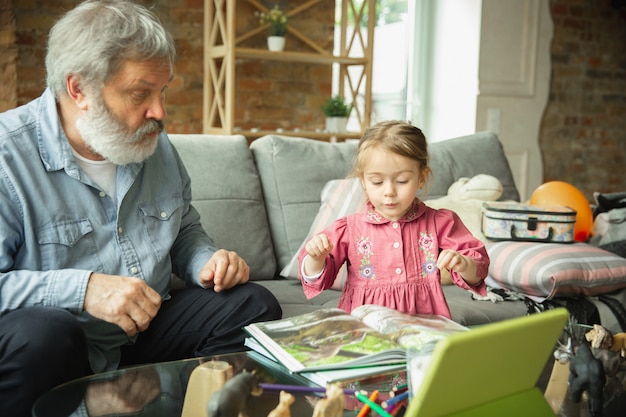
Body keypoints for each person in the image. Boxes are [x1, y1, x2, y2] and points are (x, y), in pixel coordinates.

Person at [0, 1, 281, 415]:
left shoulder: (154, 144)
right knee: (42, 333)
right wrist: (85, 289)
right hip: (63, 344)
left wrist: (208, 261)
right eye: (140, 93)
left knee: (254, 304)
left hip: (145, 332)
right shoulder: (8, 155)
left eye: (162, 90)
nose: (160, 112)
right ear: (79, 89)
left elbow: (184, 229)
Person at [299, 120, 489, 318]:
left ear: (421, 178)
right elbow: (317, 278)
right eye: (377, 181)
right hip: (364, 329)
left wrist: (464, 265)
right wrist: (316, 258)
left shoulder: (440, 222)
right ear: (363, 181)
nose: (389, 192)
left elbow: (478, 269)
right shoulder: (348, 229)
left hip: (423, 327)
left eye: (401, 181)